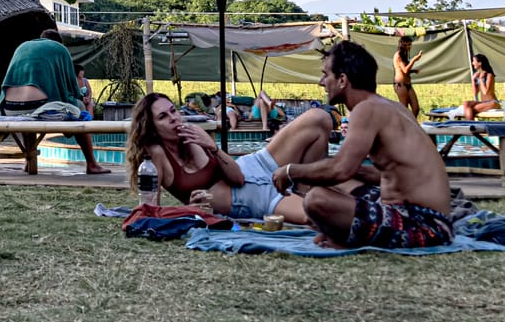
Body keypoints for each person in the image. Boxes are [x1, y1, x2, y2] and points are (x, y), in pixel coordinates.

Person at [275, 40, 455, 250]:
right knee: (332, 184)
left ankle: (343, 238)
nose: (321, 83)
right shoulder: (392, 107)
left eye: (326, 74)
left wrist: (289, 171)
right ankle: (342, 234)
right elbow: (388, 175)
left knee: (316, 200)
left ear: (342, 79)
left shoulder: (366, 110)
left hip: (425, 226)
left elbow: (341, 170)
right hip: (429, 218)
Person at [124, 91, 347, 223]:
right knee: (321, 215)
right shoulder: (155, 156)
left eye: (173, 110)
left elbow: (237, 176)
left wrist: (212, 147)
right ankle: (305, 198)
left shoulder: (193, 135)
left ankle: (303, 190)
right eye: (163, 116)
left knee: (319, 118)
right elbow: (148, 212)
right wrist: (189, 210)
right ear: (151, 127)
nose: (173, 118)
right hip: (251, 199)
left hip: (254, 167)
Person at [0, 33, 105, 174]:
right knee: (78, 108)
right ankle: (92, 163)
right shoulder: (59, 49)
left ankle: (29, 161)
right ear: (58, 43)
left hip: (9, 107)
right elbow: (71, 86)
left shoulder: (22, 47)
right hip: (40, 108)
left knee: (28, 111)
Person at [460, 52, 500, 121]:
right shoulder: (478, 75)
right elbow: (475, 92)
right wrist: (473, 79)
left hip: (492, 103)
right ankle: (470, 126)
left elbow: (485, 92)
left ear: (480, 63)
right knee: (466, 103)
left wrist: (481, 79)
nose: (472, 63)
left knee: (470, 110)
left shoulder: (489, 75)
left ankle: (471, 127)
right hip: (483, 102)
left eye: (474, 61)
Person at [391, 35, 421, 120]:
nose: (409, 47)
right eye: (408, 45)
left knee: (416, 108)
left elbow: (404, 70)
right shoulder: (398, 55)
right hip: (401, 85)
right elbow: (405, 71)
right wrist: (414, 60)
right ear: (403, 44)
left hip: (408, 84)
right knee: (404, 110)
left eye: (410, 44)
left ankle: (411, 125)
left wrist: (413, 71)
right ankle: (402, 128)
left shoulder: (404, 54)